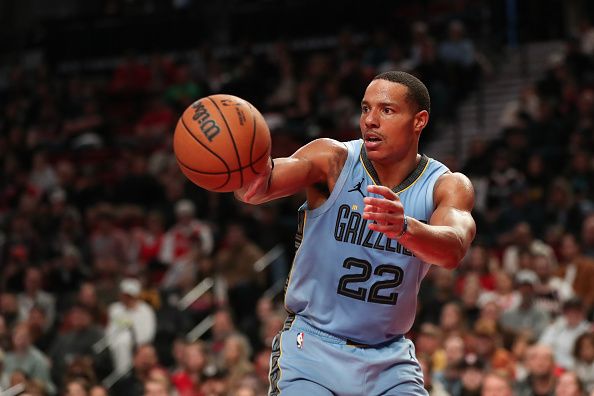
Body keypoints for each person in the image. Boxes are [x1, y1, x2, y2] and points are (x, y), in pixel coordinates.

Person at [234, 70, 476, 395]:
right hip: (313, 349)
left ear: (419, 121)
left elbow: (454, 249)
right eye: (365, 109)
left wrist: (405, 228)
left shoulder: (446, 185)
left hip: (389, 358)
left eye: (386, 110)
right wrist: (247, 172)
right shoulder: (332, 159)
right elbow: (261, 187)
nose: (370, 120)